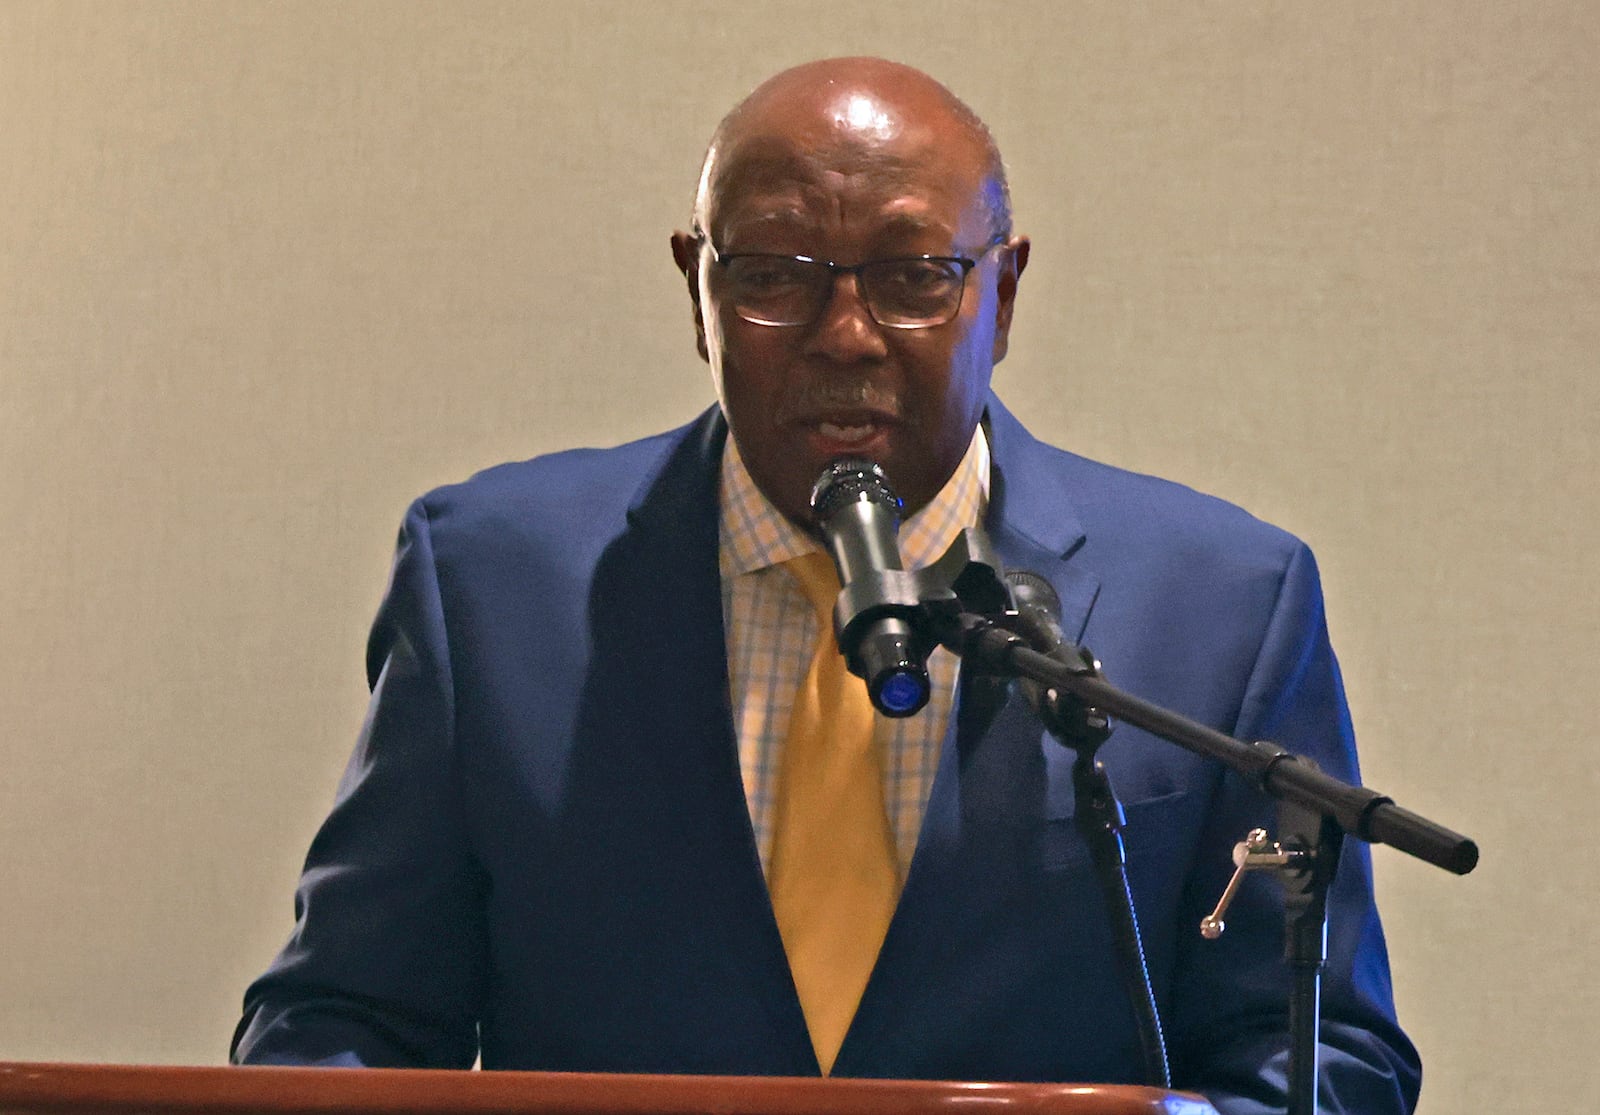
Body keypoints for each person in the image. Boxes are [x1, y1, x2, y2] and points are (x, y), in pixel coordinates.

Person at [232, 57, 1421, 1114]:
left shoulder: (1222, 602)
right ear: (695, 287)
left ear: (999, 297)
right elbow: (346, 1020)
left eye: (912, 277)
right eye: (777, 274)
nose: (845, 333)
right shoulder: (493, 580)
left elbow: (1321, 1056)